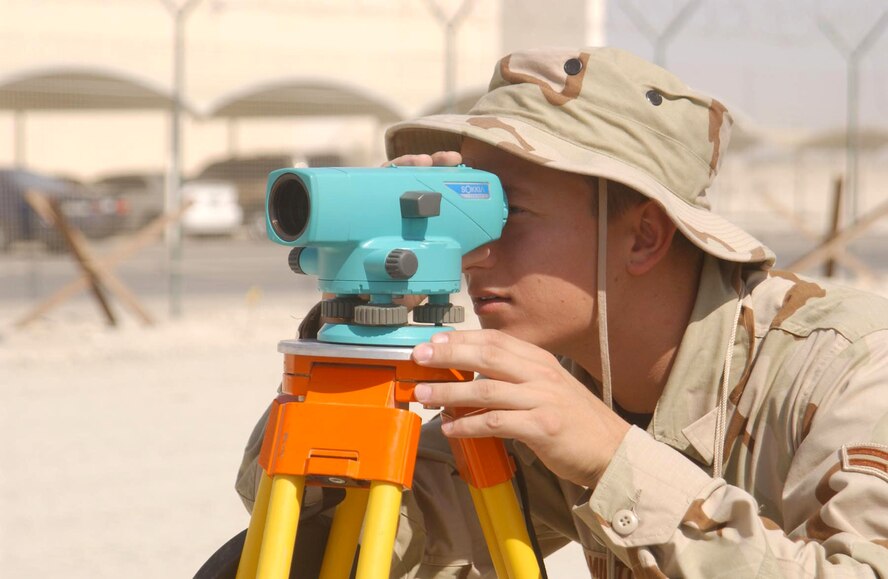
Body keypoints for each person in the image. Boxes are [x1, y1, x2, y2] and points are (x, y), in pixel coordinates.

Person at [236, 47, 888, 577]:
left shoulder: (849, 365)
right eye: (462, 206)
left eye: (502, 212)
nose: (471, 250)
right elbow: (339, 544)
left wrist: (612, 458)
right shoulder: (564, 381)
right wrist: (360, 315)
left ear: (642, 236)